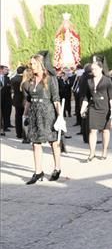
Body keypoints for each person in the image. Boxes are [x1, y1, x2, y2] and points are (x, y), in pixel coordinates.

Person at [22, 51, 67, 184]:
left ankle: (57, 168)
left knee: (53, 141)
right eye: (31, 63)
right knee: (35, 143)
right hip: (34, 114)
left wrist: (60, 117)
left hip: (48, 113)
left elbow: (56, 99)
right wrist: (25, 114)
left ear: (41, 64)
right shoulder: (30, 80)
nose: (31, 65)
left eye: (34, 63)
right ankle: (38, 172)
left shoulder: (50, 78)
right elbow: (29, 100)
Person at [80, 57, 112, 162]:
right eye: (92, 69)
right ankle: (92, 153)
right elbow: (86, 96)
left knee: (105, 130)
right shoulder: (89, 80)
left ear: (100, 69)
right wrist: (83, 108)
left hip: (105, 107)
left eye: (95, 69)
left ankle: (104, 151)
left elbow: (111, 97)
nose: (93, 71)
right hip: (93, 107)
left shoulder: (107, 80)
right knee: (92, 130)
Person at [11, 66, 26, 140]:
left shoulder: (13, 79)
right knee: (25, 116)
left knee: (18, 116)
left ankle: (18, 133)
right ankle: (24, 133)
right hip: (24, 100)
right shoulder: (24, 79)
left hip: (16, 99)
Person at [0, 65, 13, 131]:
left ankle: (5, 127)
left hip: (6, 99)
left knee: (5, 112)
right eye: (6, 69)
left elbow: (10, 87)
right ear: (1, 70)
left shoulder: (7, 78)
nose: (7, 71)